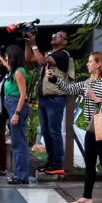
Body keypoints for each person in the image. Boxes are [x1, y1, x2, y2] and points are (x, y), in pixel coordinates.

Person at [49, 52, 102, 203]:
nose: (87, 64)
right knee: (90, 163)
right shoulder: (89, 82)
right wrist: (54, 79)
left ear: (99, 64)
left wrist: (95, 98)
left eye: (90, 62)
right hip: (92, 125)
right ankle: (86, 196)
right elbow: (70, 89)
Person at [26, 31, 74, 176]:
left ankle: (58, 163)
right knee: (46, 132)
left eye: (58, 35)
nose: (54, 36)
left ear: (65, 42)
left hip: (55, 98)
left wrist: (34, 44)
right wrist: (28, 43)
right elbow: (28, 58)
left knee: (54, 131)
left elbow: (41, 62)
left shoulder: (62, 54)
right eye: (53, 35)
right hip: (44, 98)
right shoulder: (48, 54)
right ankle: (51, 162)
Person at [1, 46, 30, 184]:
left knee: (19, 144)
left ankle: (22, 175)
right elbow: (7, 67)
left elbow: (23, 94)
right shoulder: (14, 71)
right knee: (17, 142)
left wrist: (17, 113)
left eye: (7, 56)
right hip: (11, 105)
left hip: (16, 106)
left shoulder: (19, 72)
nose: (6, 58)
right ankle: (20, 174)